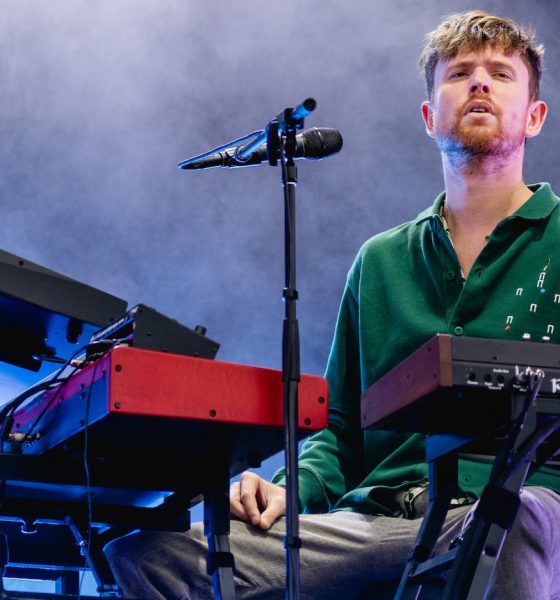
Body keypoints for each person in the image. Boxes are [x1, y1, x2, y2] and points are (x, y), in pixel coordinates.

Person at [105, 10, 560, 599]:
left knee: (514, 516)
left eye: (500, 73)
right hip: (377, 519)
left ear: (534, 116)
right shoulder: (380, 261)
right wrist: (290, 487)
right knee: (150, 557)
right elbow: (341, 430)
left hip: (518, 504)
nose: (478, 83)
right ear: (428, 117)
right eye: (459, 73)